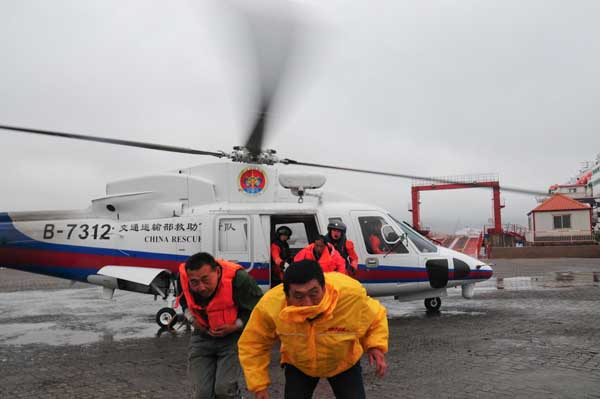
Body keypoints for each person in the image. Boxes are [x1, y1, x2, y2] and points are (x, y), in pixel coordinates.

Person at [238, 260, 388, 399]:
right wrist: (259, 386)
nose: (307, 303)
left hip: (343, 362)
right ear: (286, 296)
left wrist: (375, 345)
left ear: (324, 287)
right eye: (298, 296)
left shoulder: (350, 295)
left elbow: (375, 316)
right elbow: (253, 343)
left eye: (314, 293)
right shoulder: (271, 305)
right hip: (299, 363)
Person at [175, 252, 263, 399]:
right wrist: (192, 319)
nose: (201, 287)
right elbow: (185, 301)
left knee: (224, 390)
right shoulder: (183, 278)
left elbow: (258, 308)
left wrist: (236, 325)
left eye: (205, 279)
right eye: (195, 282)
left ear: (217, 271)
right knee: (202, 394)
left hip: (231, 338)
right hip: (202, 337)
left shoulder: (239, 279)